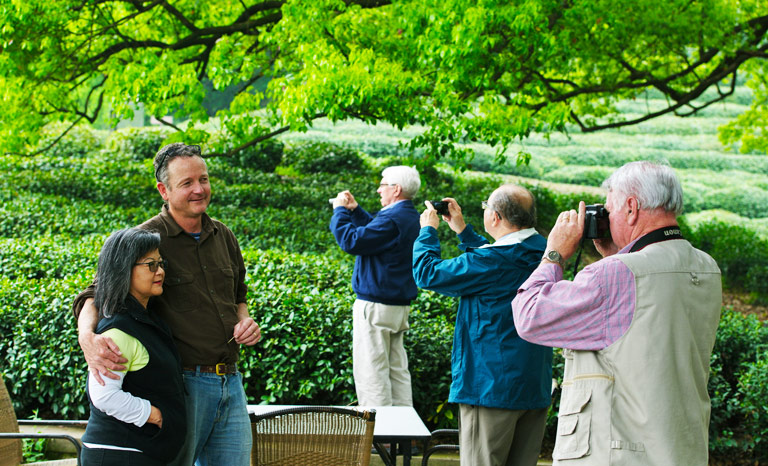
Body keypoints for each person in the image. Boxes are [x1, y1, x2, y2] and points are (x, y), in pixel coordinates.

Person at [512, 161, 722, 465]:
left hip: (616, 454)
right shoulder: (706, 267)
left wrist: (554, 254)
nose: (605, 220)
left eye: (608, 211)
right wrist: (616, 255)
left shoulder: (615, 276)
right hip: (682, 449)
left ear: (631, 208)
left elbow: (529, 317)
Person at [73, 143, 261, 466]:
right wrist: (86, 337)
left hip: (231, 381)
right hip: (183, 388)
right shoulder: (146, 239)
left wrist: (245, 321)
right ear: (164, 190)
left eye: (203, 179)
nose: (199, 189)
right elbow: (96, 292)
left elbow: (238, 294)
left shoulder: (225, 236)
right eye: (187, 183)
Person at [412, 185, 553, 466]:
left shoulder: (490, 262)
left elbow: (426, 273)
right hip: (533, 385)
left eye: (486, 206)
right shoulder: (544, 251)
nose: (485, 210)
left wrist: (427, 231)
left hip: (491, 388)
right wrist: (463, 231)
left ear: (496, 217)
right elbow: (497, 257)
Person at [81, 227, 186, 466]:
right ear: (123, 269)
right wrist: (157, 416)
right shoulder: (118, 330)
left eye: (161, 263)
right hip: (119, 454)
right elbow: (105, 396)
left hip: (135, 453)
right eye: (150, 265)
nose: (160, 271)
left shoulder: (142, 318)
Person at [329, 165, 421, 406]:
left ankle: (380, 437)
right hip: (397, 306)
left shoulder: (392, 218)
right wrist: (356, 210)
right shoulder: (410, 216)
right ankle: (402, 434)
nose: (379, 190)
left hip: (376, 306)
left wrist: (339, 211)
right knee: (396, 371)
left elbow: (353, 241)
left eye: (383, 184)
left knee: (371, 372)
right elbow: (378, 234)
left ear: (396, 189)